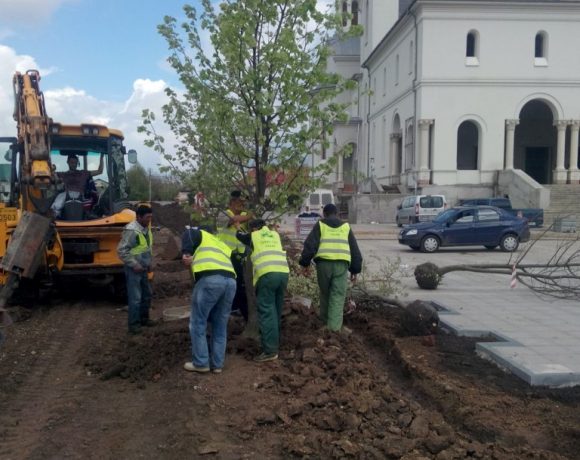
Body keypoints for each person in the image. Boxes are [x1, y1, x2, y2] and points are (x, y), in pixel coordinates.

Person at [182, 225, 237, 374]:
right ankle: (217, 365)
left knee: (198, 322)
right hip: (231, 282)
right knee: (220, 324)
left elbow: (188, 232)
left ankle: (201, 363)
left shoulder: (199, 234)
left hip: (210, 280)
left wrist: (186, 253)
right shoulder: (220, 243)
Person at [299, 203, 362, 332]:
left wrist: (305, 263)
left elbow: (310, 245)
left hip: (323, 265)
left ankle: (324, 322)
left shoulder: (320, 225)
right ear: (337, 214)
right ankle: (333, 330)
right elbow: (354, 249)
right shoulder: (345, 227)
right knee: (338, 296)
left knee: (325, 293)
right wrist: (355, 269)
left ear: (324, 214)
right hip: (341, 265)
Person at [236, 219, 289, 362]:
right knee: (275, 310)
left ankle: (270, 351)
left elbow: (240, 236)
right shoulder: (275, 235)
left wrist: (237, 226)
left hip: (267, 275)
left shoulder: (254, 236)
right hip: (283, 273)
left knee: (266, 311)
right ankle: (275, 343)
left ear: (254, 229)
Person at [117, 205, 154, 335]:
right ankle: (134, 325)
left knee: (146, 295)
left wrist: (149, 263)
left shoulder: (145, 228)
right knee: (135, 298)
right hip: (134, 269)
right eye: (147, 217)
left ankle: (144, 319)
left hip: (143, 267)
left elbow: (146, 248)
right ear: (138, 217)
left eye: (150, 217)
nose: (149, 219)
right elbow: (122, 250)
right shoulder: (131, 230)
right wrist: (134, 264)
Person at [218, 191, 252, 321]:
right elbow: (233, 220)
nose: (242, 205)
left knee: (240, 282)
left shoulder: (245, 215)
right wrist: (250, 215)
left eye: (244, 203)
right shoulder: (224, 214)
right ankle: (234, 307)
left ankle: (237, 307)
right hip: (227, 254)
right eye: (240, 203)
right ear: (232, 203)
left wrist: (250, 214)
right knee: (233, 282)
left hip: (241, 254)